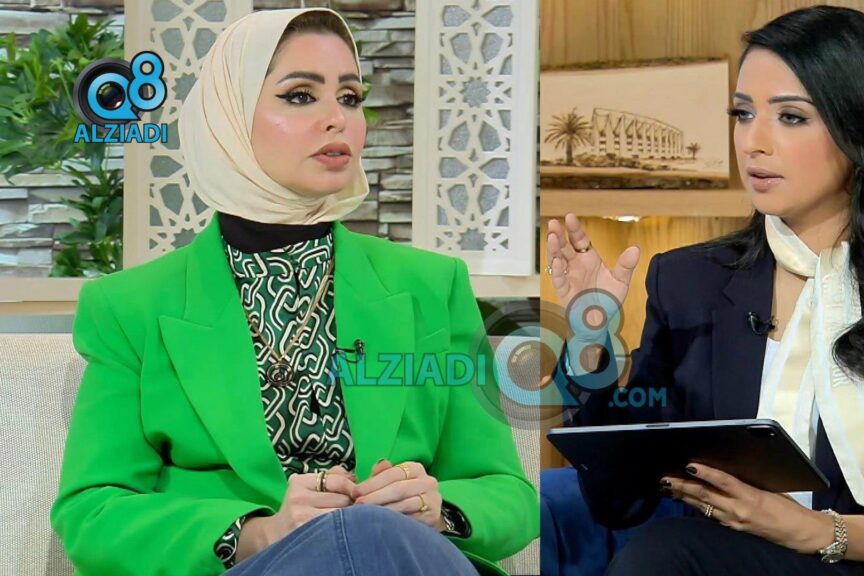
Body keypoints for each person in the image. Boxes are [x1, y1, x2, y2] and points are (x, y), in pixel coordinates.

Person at [50, 8, 537, 576]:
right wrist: (258, 533)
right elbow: (92, 513)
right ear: (229, 117)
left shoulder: (432, 286)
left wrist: (439, 509)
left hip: (407, 559)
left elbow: (510, 493)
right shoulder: (130, 307)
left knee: (371, 533)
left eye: (350, 97)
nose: (337, 119)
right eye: (301, 96)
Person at [542, 6, 864, 576]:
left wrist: (809, 529)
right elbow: (621, 501)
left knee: (662, 557)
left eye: (790, 117)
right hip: (716, 562)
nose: (753, 142)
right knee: (661, 553)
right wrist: (592, 342)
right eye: (743, 113)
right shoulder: (690, 281)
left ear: (863, 130)